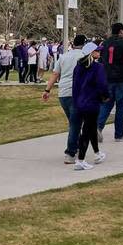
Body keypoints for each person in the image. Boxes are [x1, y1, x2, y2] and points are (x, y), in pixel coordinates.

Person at [42, 33, 87, 163]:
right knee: (75, 124)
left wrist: (47, 90)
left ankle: (76, 146)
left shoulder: (63, 57)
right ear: (84, 45)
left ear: (73, 44)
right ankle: (70, 153)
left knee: (74, 122)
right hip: (77, 93)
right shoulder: (85, 57)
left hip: (63, 94)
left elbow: (55, 74)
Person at [71, 41, 108, 171]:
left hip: (80, 102)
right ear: (92, 53)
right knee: (86, 131)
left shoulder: (78, 67)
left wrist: (76, 101)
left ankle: (97, 153)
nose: (99, 52)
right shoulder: (98, 68)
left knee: (91, 128)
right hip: (91, 102)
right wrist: (105, 96)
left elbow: (75, 86)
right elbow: (102, 85)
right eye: (97, 50)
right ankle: (80, 160)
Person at [98, 23, 123, 140]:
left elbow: (101, 61)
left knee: (106, 104)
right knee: (121, 107)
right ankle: (119, 134)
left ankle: (98, 127)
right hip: (122, 79)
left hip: (108, 78)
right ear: (120, 31)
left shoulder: (105, 43)